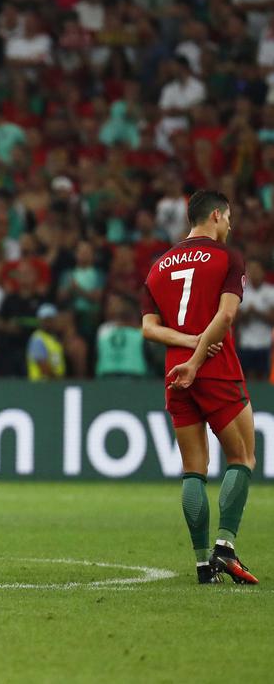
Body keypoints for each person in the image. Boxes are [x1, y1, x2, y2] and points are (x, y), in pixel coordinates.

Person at [140, 190, 259, 585]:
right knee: (242, 457)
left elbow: (148, 328)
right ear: (215, 216)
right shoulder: (228, 258)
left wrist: (186, 348)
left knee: (194, 470)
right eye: (228, 218)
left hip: (176, 372)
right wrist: (198, 356)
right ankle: (225, 547)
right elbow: (225, 316)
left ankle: (202, 564)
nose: (230, 225)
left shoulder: (158, 266)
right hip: (215, 367)